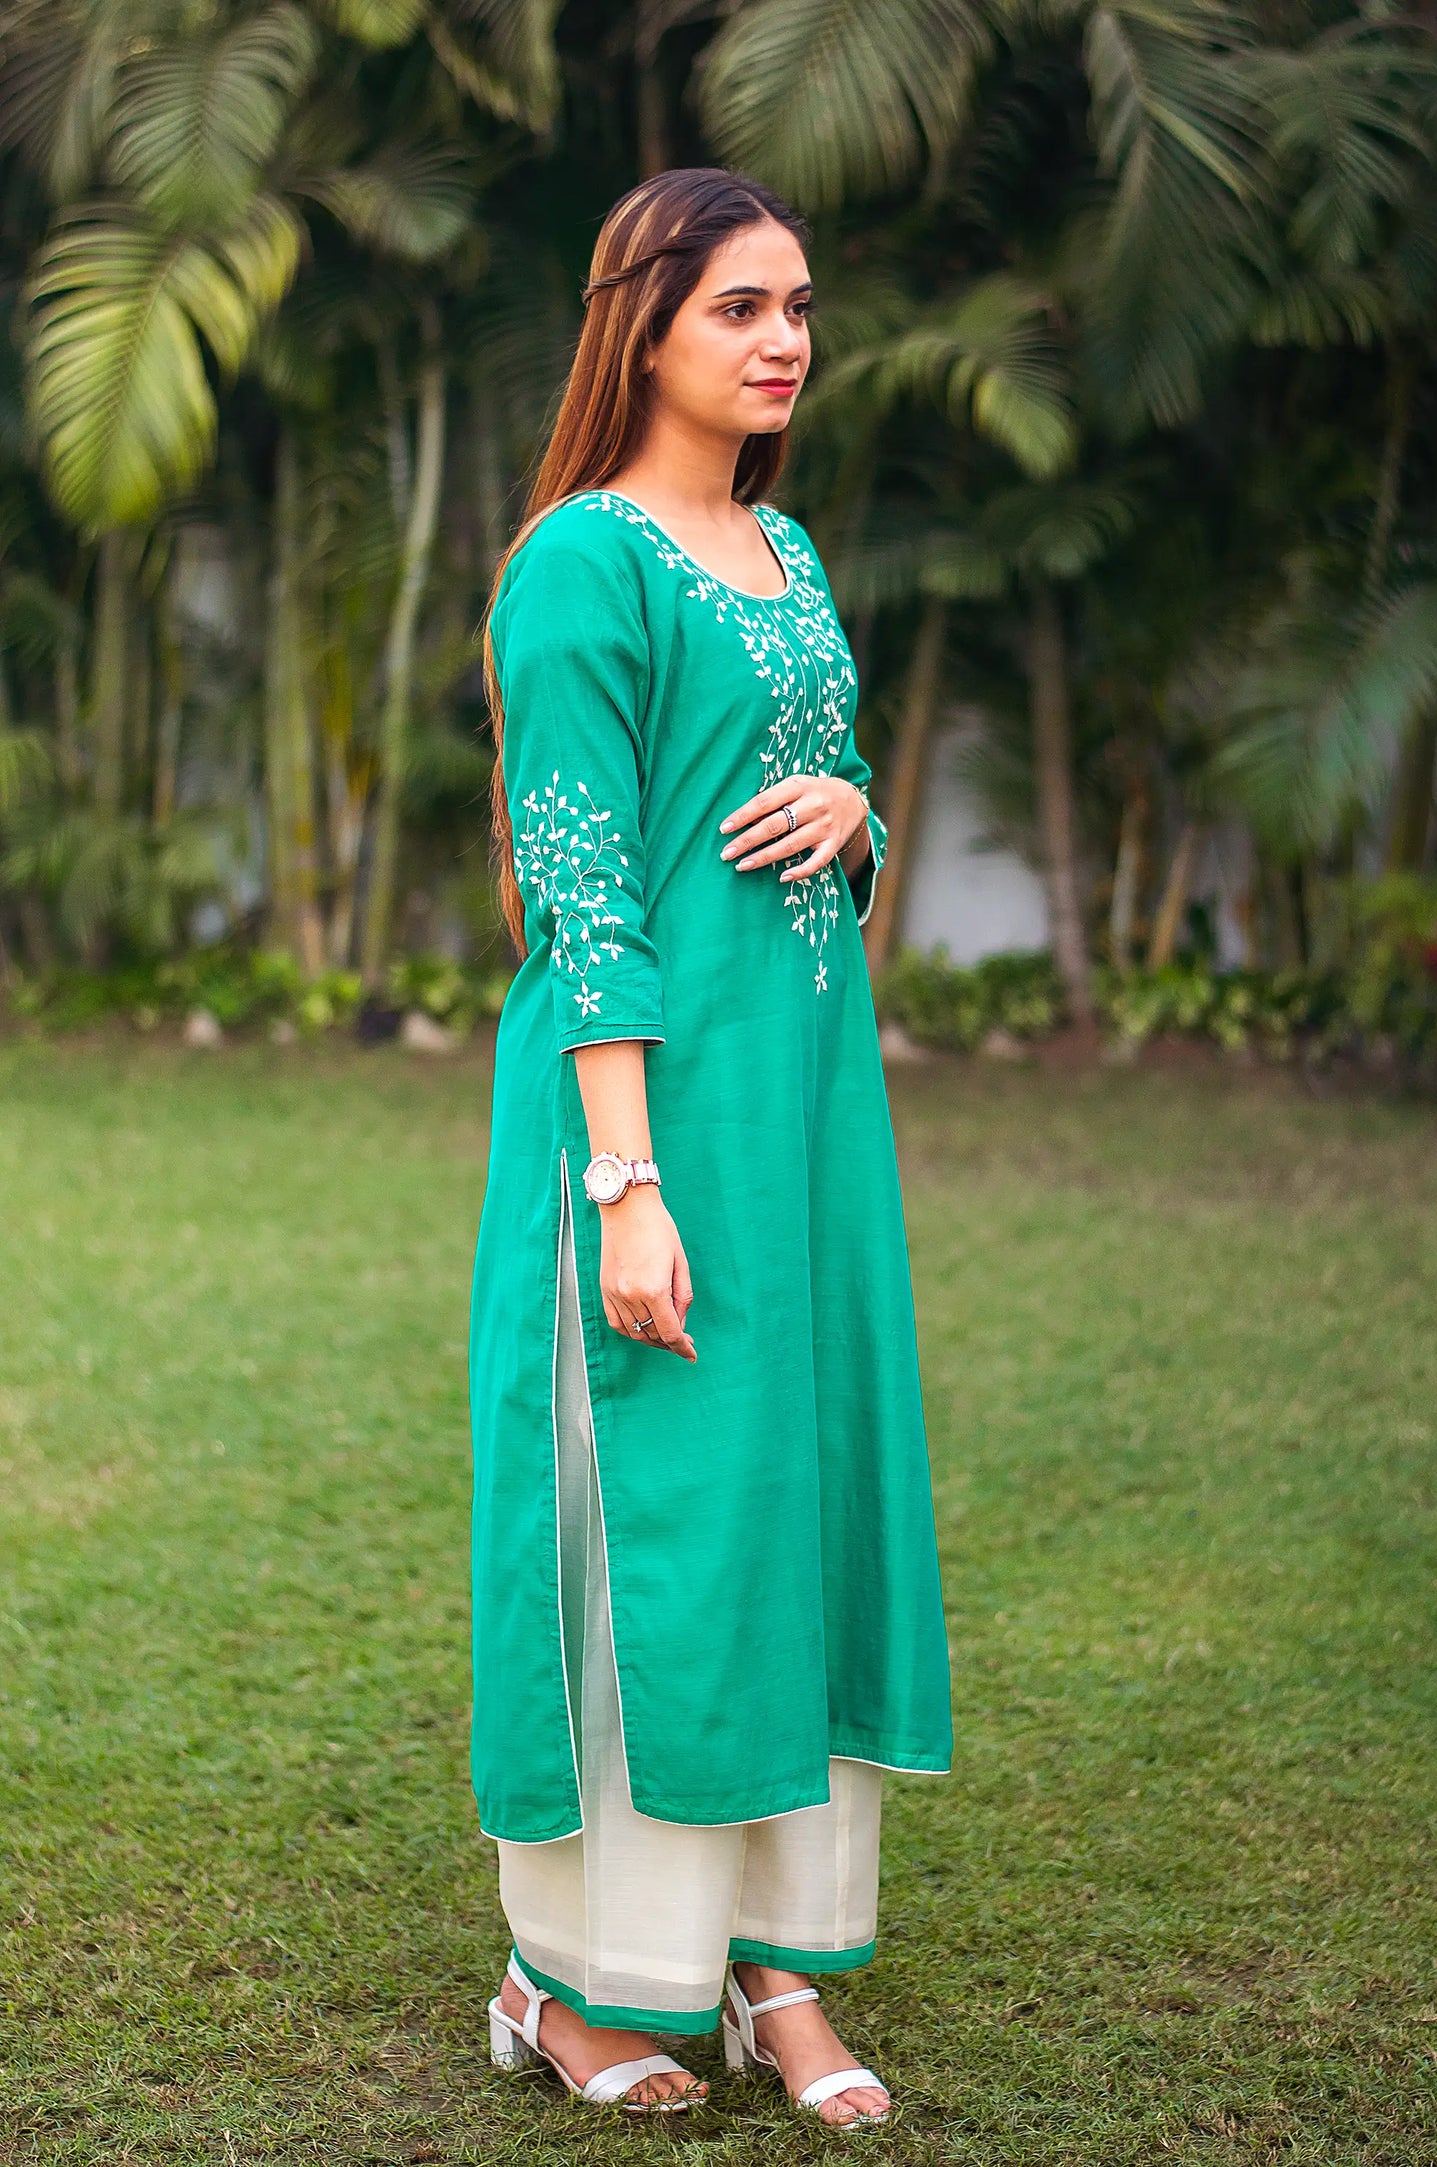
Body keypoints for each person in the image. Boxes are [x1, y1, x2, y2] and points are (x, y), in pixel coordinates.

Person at [468, 167, 953, 2126]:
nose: (785, 341)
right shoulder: (578, 565)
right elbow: (585, 890)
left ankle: (776, 1969)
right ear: (642, 321)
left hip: (811, 1120)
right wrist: (625, 1184)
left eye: (800, 306)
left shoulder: (788, 546)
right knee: (649, 1523)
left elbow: (786, 810)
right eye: (743, 305)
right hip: (644, 1125)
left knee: (794, 1510)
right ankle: (571, 1982)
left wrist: (858, 810)